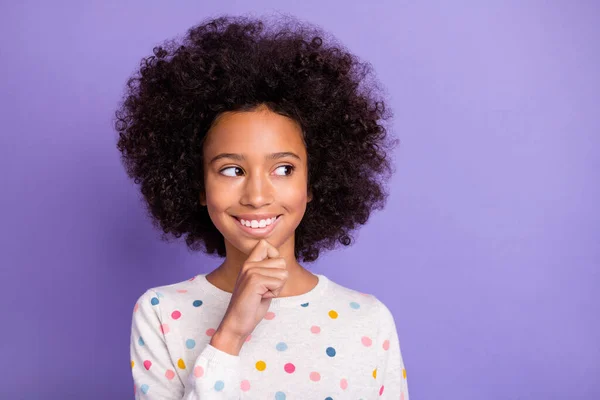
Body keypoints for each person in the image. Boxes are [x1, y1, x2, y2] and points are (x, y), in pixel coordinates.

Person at [115, 13, 409, 399]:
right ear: (198, 184)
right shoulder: (161, 312)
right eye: (232, 169)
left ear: (313, 183)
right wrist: (231, 333)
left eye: (283, 169)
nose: (256, 195)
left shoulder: (368, 320)